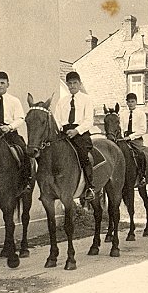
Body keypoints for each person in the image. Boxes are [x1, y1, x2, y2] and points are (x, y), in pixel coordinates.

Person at [55, 71, 95, 201]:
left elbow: (89, 120)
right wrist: (62, 129)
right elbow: (57, 119)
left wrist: (76, 131)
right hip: (64, 133)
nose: (72, 86)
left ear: (79, 83)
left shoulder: (86, 99)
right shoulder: (62, 101)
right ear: (67, 85)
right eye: (70, 84)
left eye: (75, 83)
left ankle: (89, 187)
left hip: (80, 134)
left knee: (84, 156)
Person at [0, 71, 32, 192]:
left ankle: (26, 180)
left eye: (3, 83)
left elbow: (20, 118)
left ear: (8, 84)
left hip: (9, 133)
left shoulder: (14, 101)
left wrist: (9, 127)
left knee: (23, 149)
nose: (0, 85)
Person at [120, 92, 147, 187]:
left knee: (140, 153)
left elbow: (143, 130)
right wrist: (123, 136)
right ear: (126, 103)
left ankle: (142, 176)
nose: (131, 104)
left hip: (136, 139)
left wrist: (131, 137)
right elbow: (121, 127)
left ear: (136, 102)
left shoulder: (141, 114)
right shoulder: (123, 114)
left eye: (132, 101)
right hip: (124, 138)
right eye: (129, 102)